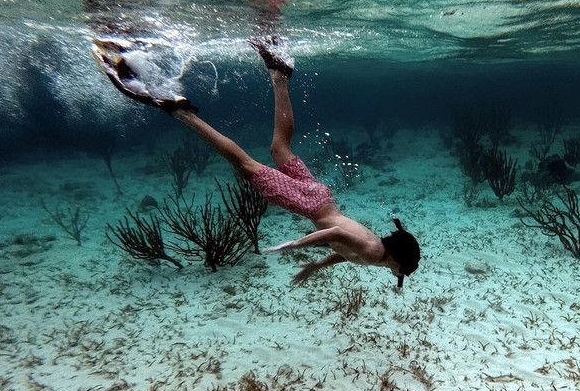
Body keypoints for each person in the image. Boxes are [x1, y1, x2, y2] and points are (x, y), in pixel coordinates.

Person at [93, 35, 420, 287]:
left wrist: (316, 265)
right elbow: (337, 234)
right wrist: (295, 245)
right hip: (309, 205)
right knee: (245, 165)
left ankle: (279, 75)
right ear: (397, 259)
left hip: (320, 197)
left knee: (280, 147)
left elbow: (346, 252)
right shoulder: (375, 253)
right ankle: (178, 111)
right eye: (402, 271)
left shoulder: (376, 253)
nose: (399, 275)